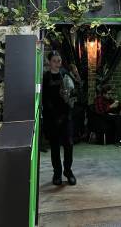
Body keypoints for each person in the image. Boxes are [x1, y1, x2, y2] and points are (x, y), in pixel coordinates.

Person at [42, 51, 77, 186]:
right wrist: (51, 113)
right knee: (55, 146)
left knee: (69, 145)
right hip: (52, 118)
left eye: (59, 61)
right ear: (49, 62)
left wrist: (70, 95)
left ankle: (68, 171)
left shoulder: (65, 74)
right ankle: (57, 173)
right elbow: (43, 98)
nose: (58, 63)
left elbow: (74, 92)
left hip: (66, 116)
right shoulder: (45, 77)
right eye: (55, 60)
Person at [94, 84, 121, 149]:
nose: (110, 95)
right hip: (102, 118)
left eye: (111, 94)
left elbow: (118, 107)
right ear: (103, 94)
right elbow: (100, 112)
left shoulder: (110, 99)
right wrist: (110, 106)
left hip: (112, 116)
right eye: (108, 94)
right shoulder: (98, 99)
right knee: (117, 117)